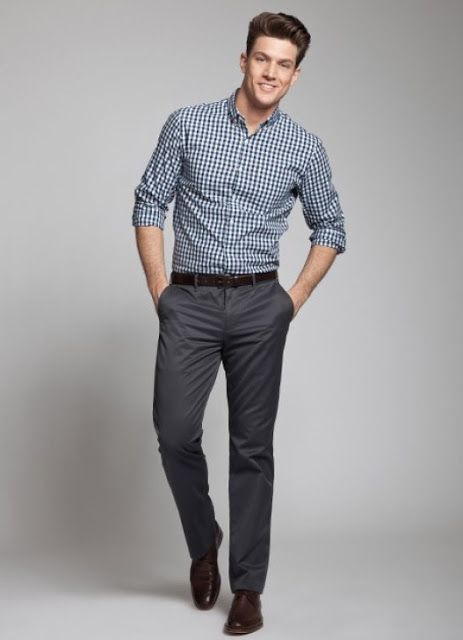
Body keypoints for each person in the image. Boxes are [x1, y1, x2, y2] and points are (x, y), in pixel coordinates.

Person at [132, 11, 347, 635]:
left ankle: (248, 586)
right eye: (263, 59)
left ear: (296, 75)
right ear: (244, 60)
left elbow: (331, 227)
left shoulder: (304, 147)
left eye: (284, 64)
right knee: (174, 432)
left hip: (259, 305)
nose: (271, 72)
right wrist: (160, 289)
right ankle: (204, 543)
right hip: (191, 300)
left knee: (252, 449)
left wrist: (291, 300)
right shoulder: (188, 124)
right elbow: (149, 201)